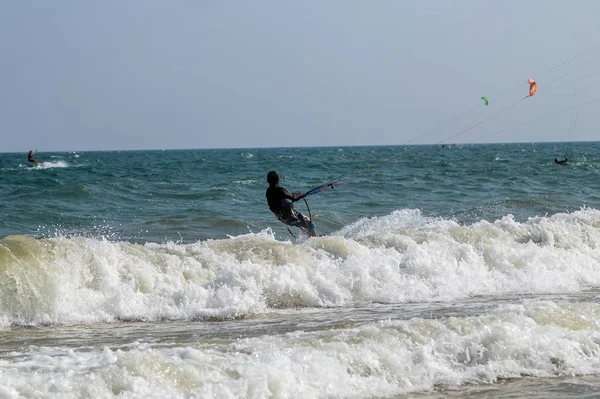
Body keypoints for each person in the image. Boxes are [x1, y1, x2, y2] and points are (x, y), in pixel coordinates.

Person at [266, 171, 316, 237]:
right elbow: (294, 198)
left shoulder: (268, 192)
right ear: (278, 180)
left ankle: (307, 239)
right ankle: (315, 239)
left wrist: (296, 195)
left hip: (283, 218)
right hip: (291, 216)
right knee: (309, 223)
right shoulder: (280, 190)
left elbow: (290, 196)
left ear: (268, 181)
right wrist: (302, 194)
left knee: (304, 226)